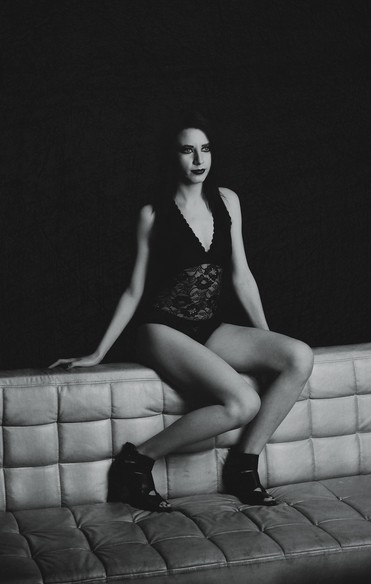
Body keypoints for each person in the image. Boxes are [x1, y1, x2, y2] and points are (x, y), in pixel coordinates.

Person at [50, 110, 314, 512]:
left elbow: (242, 276)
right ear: (171, 156)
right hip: (161, 328)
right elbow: (134, 289)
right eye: (187, 150)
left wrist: (266, 340)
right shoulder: (152, 214)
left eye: (205, 149)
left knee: (298, 356)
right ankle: (137, 461)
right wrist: (98, 352)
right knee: (243, 403)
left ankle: (244, 466)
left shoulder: (228, 201)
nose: (198, 159)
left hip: (209, 326)